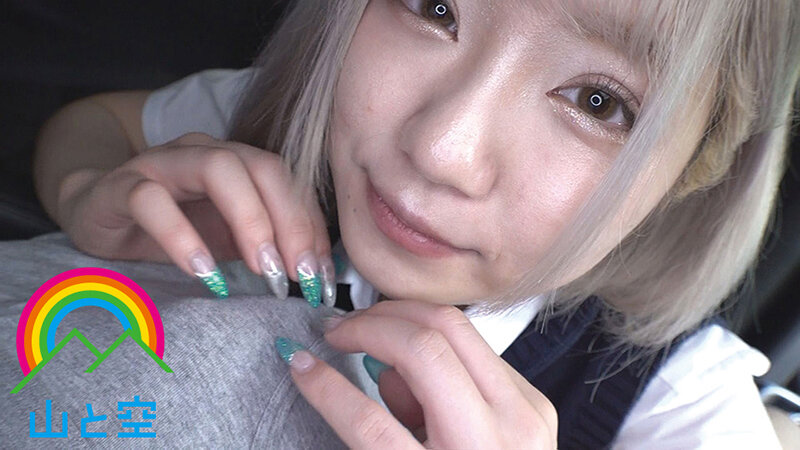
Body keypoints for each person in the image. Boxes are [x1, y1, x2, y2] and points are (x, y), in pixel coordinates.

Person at [25, 0, 800, 447]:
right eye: (435, 6)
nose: (439, 150)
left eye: (599, 103)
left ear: (696, 171)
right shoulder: (286, 132)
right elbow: (98, 125)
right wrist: (87, 193)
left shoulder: (680, 410)